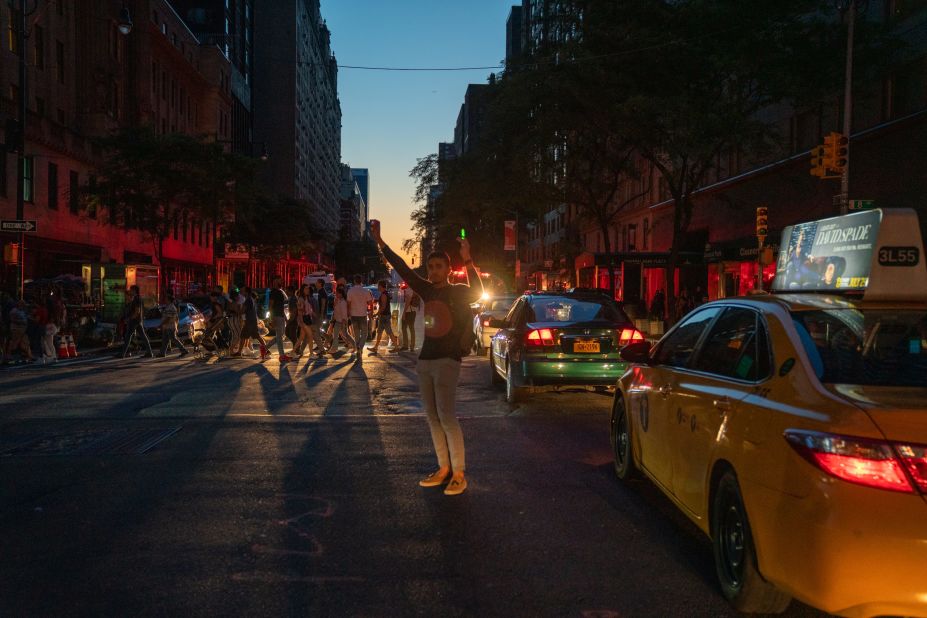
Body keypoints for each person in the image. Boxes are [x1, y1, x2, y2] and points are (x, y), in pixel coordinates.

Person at [372, 220, 483, 496]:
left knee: (447, 416)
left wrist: (468, 258)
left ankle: (458, 472)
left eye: (438, 267)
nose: (433, 271)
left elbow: (478, 290)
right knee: (432, 417)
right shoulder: (427, 290)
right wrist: (381, 242)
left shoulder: (457, 291)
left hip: (448, 360)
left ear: (448, 269)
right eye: (430, 267)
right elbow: (402, 268)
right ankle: (443, 468)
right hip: (426, 361)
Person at [119, 285, 153, 358]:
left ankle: (122, 354)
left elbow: (137, 311)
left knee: (128, 337)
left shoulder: (136, 299)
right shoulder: (137, 298)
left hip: (134, 321)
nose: (130, 291)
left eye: (131, 290)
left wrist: (129, 319)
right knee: (143, 336)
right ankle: (149, 352)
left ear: (134, 290)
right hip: (138, 320)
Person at [347, 274, 373, 364]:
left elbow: (348, 304)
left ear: (354, 281)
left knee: (356, 334)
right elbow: (370, 303)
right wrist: (371, 313)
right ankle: (360, 347)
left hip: (353, 315)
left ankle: (358, 348)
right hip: (362, 315)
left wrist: (348, 313)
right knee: (365, 333)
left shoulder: (350, 291)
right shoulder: (365, 291)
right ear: (361, 281)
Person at [368, 280, 399, 355]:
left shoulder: (384, 295)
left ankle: (396, 347)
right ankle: (375, 348)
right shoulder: (384, 294)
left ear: (381, 286)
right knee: (379, 332)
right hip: (383, 316)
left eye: (378, 286)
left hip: (385, 316)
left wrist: (376, 314)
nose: (377, 287)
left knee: (389, 332)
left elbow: (383, 307)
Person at [234, 287, 267, 359]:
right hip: (251, 320)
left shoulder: (248, 300)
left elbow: (243, 310)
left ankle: (239, 352)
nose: (241, 292)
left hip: (250, 321)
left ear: (246, 292)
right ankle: (266, 349)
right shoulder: (250, 299)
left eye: (242, 291)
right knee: (254, 335)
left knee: (245, 335)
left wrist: (237, 309)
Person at [266, 277, 292, 362]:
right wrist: (271, 318)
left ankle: (264, 348)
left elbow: (281, 307)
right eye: (279, 280)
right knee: (280, 337)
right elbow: (270, 306)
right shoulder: (273, 292)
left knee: (281, 336)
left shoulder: (280, 291)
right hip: (276, 316)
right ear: (275, 282)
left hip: (281, 316)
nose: (281, 281)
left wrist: (285, 317)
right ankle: (282, 355)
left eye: (281, 280)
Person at [329, 284, 356, 356]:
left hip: (342, 321)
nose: (336, 294)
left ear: (340, 294)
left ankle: (354, 346)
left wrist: (344, 320)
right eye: (336, 293)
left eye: (337, 293)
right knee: (336, 334)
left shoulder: (343, 301)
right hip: (338, 320)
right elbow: (335, 309)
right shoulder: (338, 300)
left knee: (345, 334)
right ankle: (334, 348)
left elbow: (344, 311)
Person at [159, 293, 190, 357]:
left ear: (169, 300)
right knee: (165, 340)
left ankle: (183, 350)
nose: (165, 300)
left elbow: (168, 317)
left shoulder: (171, 307)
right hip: (167, 326)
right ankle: (162, 353)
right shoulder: (169, 307)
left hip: (170, 326)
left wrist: (161, 324)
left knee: (173, 339)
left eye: (166, 299)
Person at [293, 283, 318, 357]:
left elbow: (308, 309)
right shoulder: (301, 299)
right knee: (310, 336)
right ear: (302, 290)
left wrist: (313, 314)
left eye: (308, 288)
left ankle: (292, 352)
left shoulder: (305, 298)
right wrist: (302, 322)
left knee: (301, 338)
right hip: (304, 320)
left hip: (307, 318)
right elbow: (299, 312)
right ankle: (311, 353)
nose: (308, 290)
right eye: (306, 288)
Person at [400, 284, 421, 352]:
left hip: (409, 312)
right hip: (412, 311)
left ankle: (406, 345)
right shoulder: (413, 290)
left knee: (405, 328)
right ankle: (411, 346)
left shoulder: (409, 290)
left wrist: (404, 313)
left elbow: (408, 302)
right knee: (410, 328)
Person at [226, 288, 244, 352]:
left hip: (231, 320)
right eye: (238, 296)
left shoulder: (230, 303)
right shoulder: (235, 304)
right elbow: (238, 313)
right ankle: (231, 349)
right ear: (235, 297)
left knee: (235, 335)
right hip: (234, 320)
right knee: (239, 335)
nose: (239, 297)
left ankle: (231, 349)